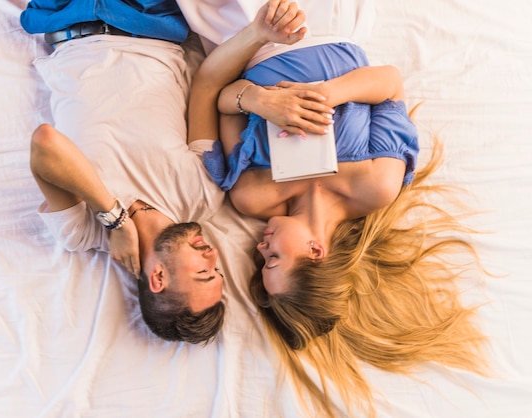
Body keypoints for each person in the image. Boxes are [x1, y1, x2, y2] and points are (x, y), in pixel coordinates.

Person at [187, 1, 488, 416]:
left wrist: (259, 101)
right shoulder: (376, 187)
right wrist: (325, 95)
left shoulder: (252, 196)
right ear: (316, 252)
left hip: (248, 35)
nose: (260, 249)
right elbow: (389, 83)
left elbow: (218, 97)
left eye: (261, 261)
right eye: (274, 259)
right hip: (328, 24)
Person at [21, 0, 227, 344]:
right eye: (217, 268)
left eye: (204, 272)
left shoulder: (82, 233)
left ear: (158, 277)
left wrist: (114, 219)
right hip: (149, 23)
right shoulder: (204, 195)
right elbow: (206, 86)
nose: (214, 254)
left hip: (69, 21)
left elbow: (45, 143)